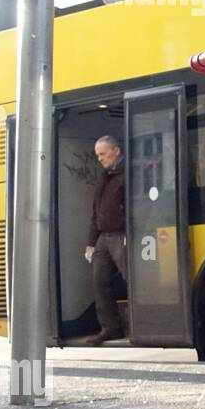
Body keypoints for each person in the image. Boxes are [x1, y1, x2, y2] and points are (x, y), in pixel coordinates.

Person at [85, 135, 127, 344]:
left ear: (116, 151)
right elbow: (96, 211)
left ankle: (141, 324)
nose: (99, 158)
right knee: (99, 281)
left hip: (121, 234)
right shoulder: (104, 176)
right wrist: (91, 243)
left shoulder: (127, 174)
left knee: (133, 280)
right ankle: (110, 328)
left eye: (102, 153)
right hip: (103, 237)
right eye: (97, 155)